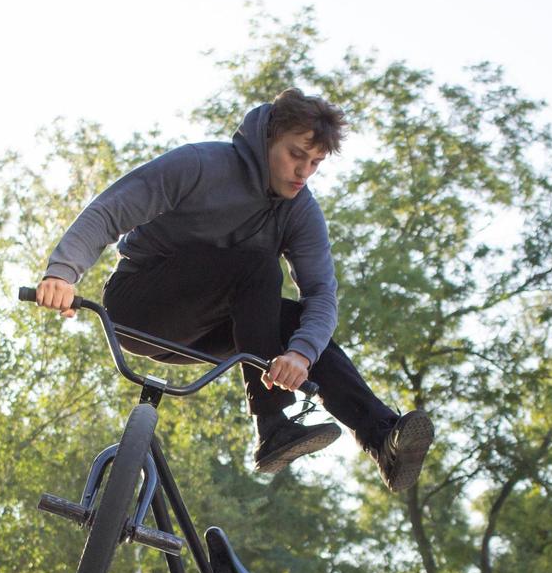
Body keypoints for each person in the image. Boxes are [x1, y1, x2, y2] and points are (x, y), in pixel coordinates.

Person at [31, 88, 433, 492]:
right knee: (255, 264)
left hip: (212, 331)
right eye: (296, 155)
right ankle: (271, 422)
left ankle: (382, 439)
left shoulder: (301, 211)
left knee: (299, 325)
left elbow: (322, 294)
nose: (303, 172)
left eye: (315, 163)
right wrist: (63, 274)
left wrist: (299, 353)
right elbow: (111, 210)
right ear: (267, 138)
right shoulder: (201, 165)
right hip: (140, 306)